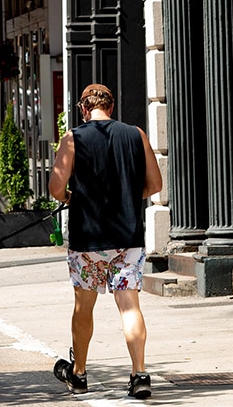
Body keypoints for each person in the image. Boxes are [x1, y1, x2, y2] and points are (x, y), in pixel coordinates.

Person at [48, 83, 162, 399]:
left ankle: (80, 373)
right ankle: (139, 374)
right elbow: (154, 184)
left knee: (84, 308)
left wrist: (74, 197)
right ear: (110, 107)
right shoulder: (136, 134)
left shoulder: (73, 138)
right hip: (127, 237)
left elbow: (56, 187)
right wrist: (124, 196)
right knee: (129, 306)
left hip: (88, 238)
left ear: (84, 109)